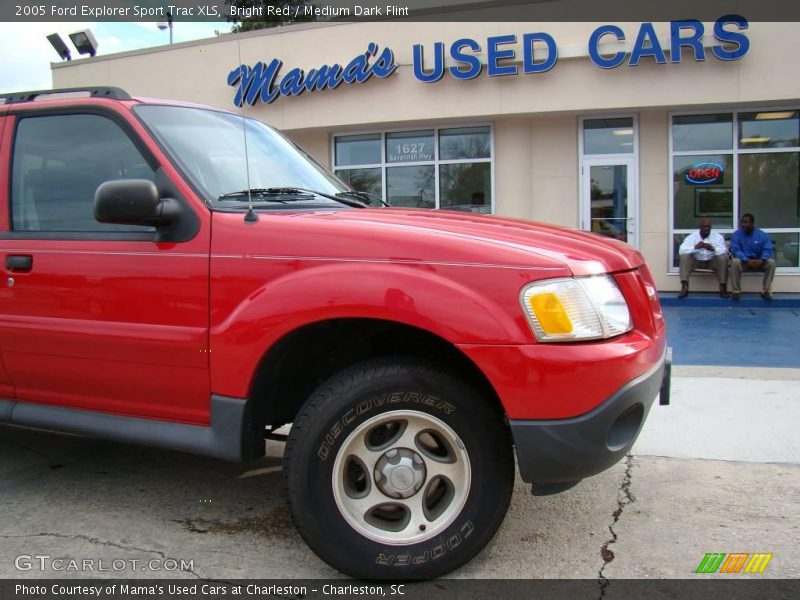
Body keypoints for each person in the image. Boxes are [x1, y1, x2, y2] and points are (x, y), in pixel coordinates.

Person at [677, 218, 729, 298]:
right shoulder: (692, 237)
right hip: (696, 261)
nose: (706, 228)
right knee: (684, 256)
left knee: (722, 258)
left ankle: (723, 288)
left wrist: (713, 249)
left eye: (708, 227)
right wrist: (695, 247)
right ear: (700, 227)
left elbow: (723, 251)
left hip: (711, 261)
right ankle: (685, 287)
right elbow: (681, 250)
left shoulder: (718, 237)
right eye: (704, 226)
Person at [730, 213, 776, 300]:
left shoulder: (762, 235)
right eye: (742, 222)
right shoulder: (737, 235)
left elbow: (768, 249)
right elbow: (735, 250)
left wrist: (762, 259)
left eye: (746, 222)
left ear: (752, 223)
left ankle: (766, 290)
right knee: (735, 262)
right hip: (744, 262)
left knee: (771, 262)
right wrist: (746, 260)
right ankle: (736, 291)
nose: (743, 224)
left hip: (759, 262)